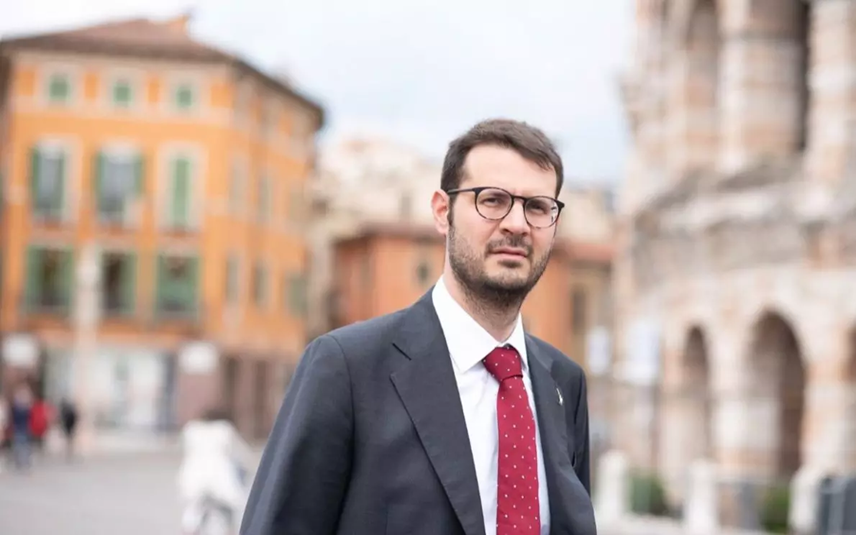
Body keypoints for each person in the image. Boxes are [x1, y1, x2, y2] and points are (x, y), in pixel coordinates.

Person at [240, 119, 597, 535]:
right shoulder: (347, 369)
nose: (517, 224)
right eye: (493, 200)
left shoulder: (563, 384)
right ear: (443, 212)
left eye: (537, 207)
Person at [177, 408, 255, 535]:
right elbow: (240, 452)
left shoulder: (191, 429)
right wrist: (250, 464)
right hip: (220, 474)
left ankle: (190, 531)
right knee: (231, 508)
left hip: (194, 473)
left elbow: (183, 449)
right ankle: (231, 531)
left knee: (195, 508)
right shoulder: (224, 429)